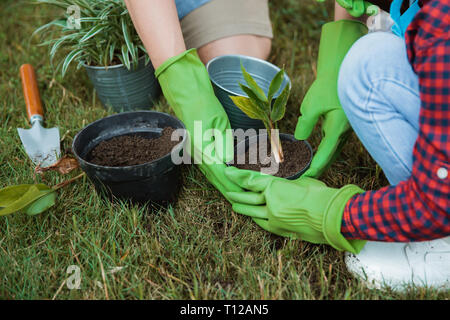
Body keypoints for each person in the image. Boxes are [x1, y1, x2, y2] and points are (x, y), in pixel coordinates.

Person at [225, 0, 450, 291]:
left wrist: (331, 213)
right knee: (370, 61)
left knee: (369, 73)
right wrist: (340, 45)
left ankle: (440, 248)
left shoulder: (440, 28)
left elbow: (435, 204)